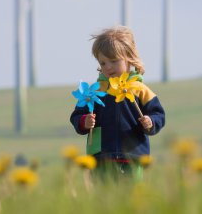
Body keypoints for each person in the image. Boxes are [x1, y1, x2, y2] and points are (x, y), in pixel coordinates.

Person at [70, 25, 165, 177]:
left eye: (113, 61)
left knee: (132, 197)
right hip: (101, 158)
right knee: (103, 197)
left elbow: (158, 114)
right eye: (103, 63)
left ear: (129, 58)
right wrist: (83, 121)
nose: (108, 67)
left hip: (133, 156)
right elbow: (76, 116)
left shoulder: (139, 89)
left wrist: (151, 122)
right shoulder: (96, 91)